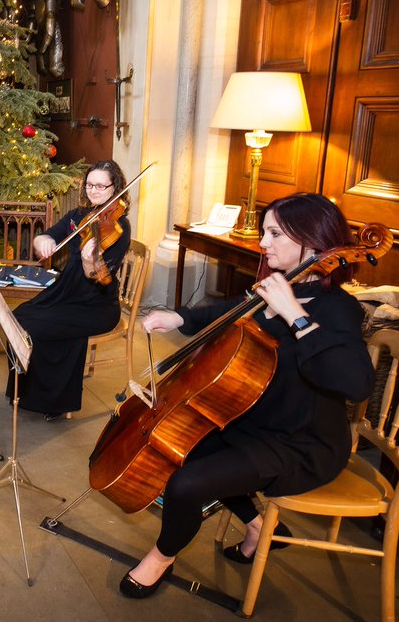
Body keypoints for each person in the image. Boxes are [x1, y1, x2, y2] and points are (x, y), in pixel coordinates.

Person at [120, 192, 373, 599]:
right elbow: (227, 312)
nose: (262, 243)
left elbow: (356, 382)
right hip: (252, 420)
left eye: (274, 233)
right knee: (181, 448)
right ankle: (258, 526)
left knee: (186, 484)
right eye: (264, 232)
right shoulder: (273, 287)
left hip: (300, 443)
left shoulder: (337, 309)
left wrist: (296, 315)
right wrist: (179, 316)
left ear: (311, 241)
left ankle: (161, 558)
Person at [6, 160, 130, 418]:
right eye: (89, 184)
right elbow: (47, 234)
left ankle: (52, 400)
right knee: (19, 317)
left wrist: (89, 260)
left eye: (100, 186)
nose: (93, 190)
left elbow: (99, 277)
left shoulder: (119, 227)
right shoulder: (78, 216)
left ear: (114, 188)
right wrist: (45, 242)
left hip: (97, 304)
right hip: (66, 292)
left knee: (39, 327)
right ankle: (27, 392)